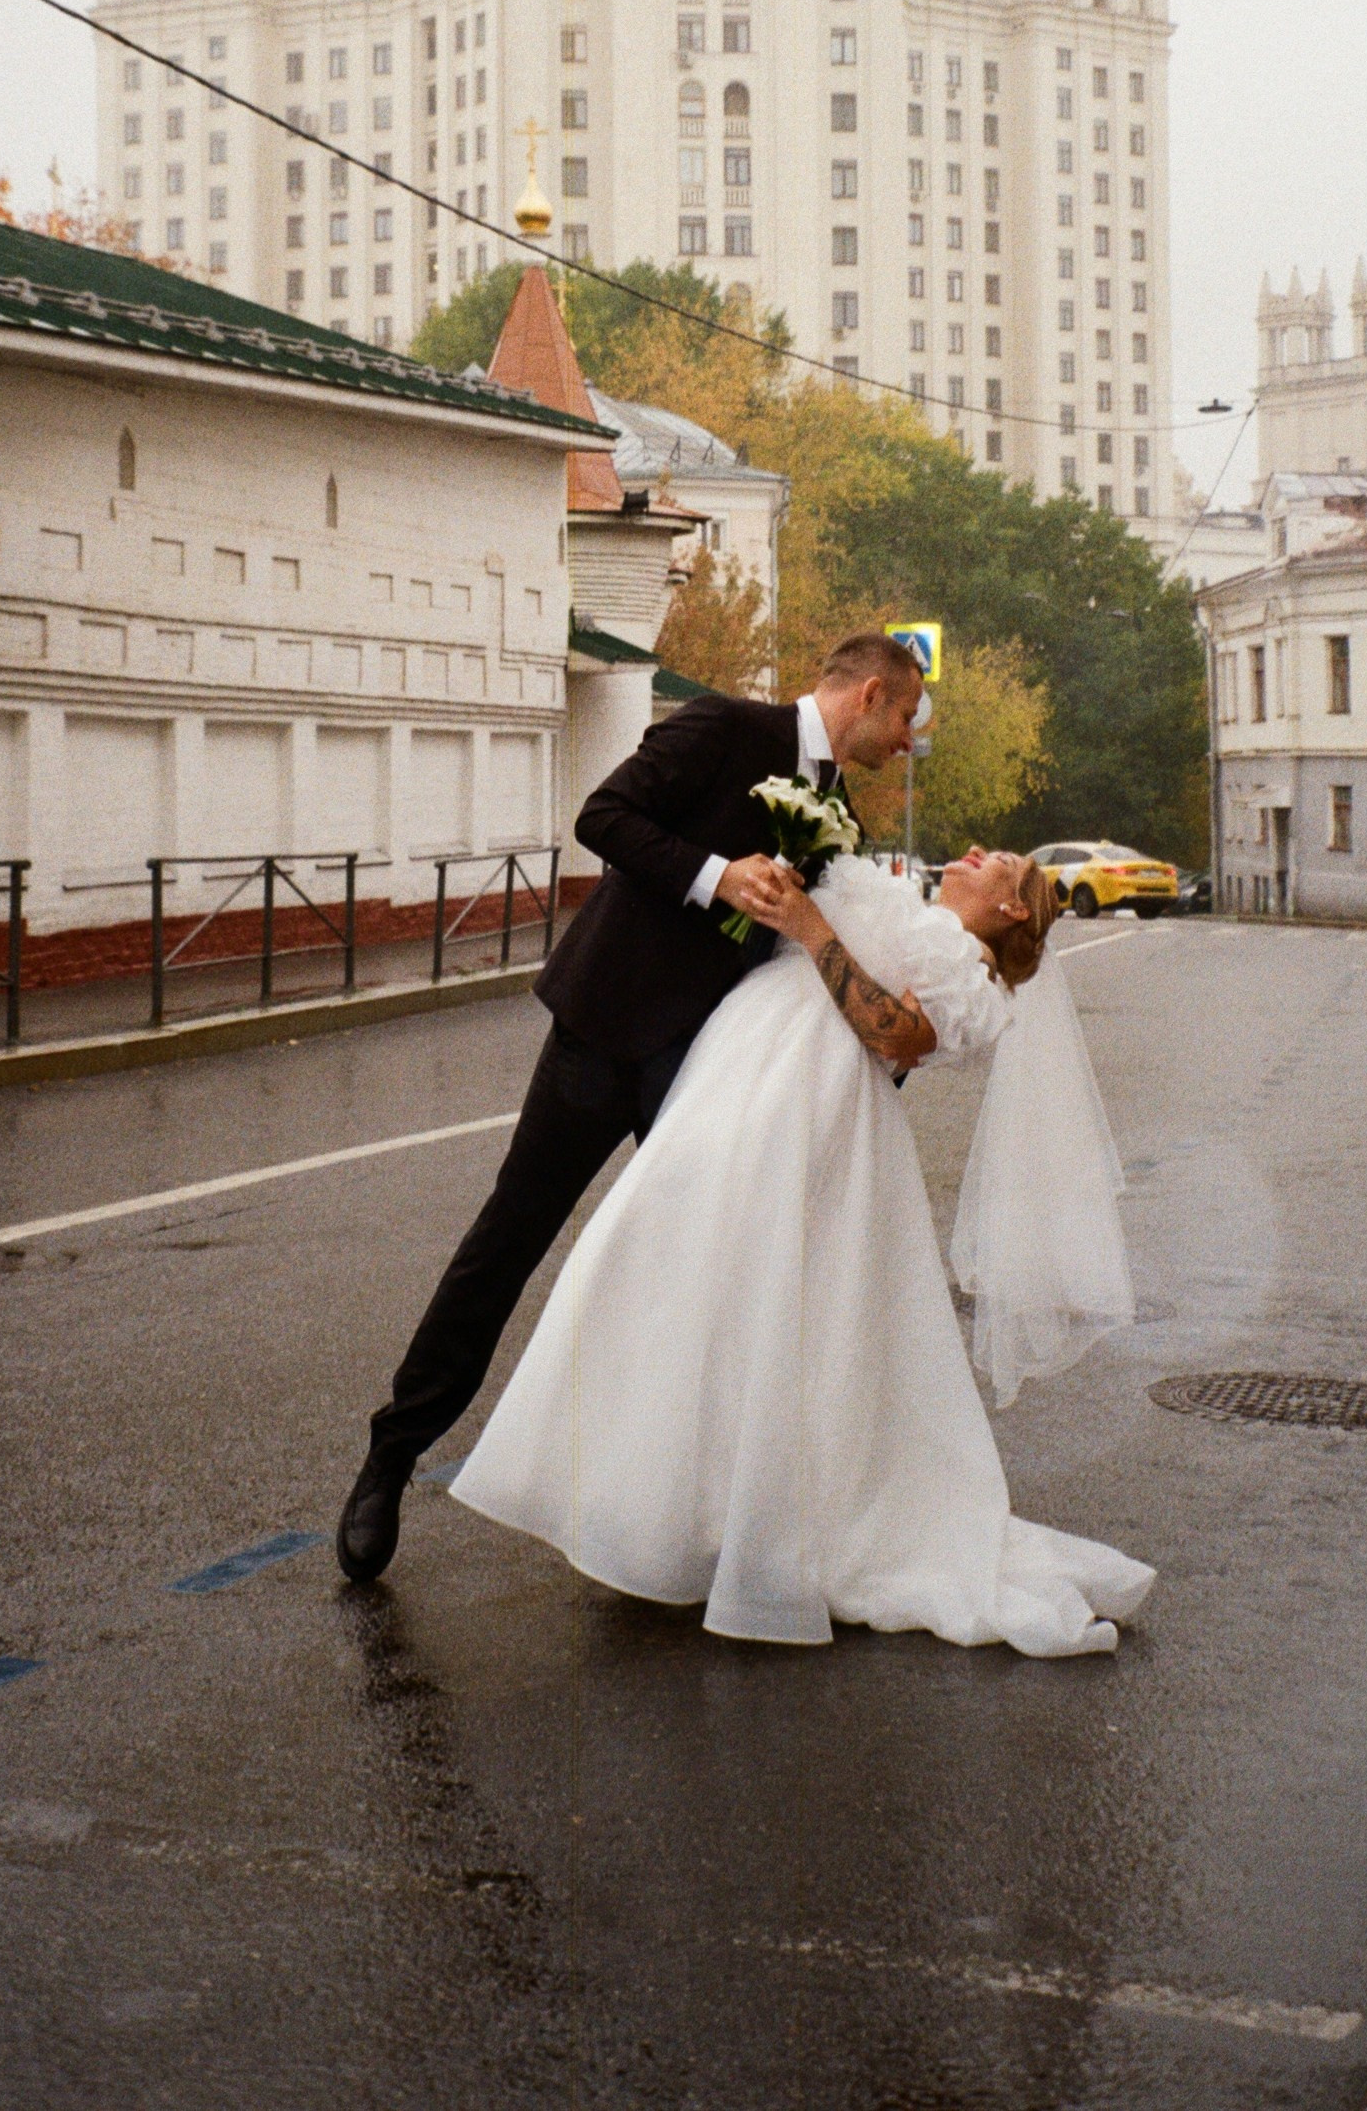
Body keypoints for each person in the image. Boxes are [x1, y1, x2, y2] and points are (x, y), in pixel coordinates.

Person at [335, 631, 933, 1583]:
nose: (907, 741)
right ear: (868, 694)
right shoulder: (723, 727)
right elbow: (602, 816)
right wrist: (717, 875)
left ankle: (663, 1510)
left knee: (695, 1275)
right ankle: (389, 1457)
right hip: (604, 1027)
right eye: (904, 719)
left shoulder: (836, 814)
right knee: (509, 1240)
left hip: (705, 1065)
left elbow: (803, 948)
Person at [449, 844, 1152, 1652]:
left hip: (802, 1112)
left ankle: (736, 1517)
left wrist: (810, 923)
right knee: (672, 1275)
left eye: (992, 860)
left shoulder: (972, 973)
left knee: (760, 1300)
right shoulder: (919, 920)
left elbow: (893, 1031)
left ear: (1013, 908)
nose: (968, 852)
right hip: (742, 1075)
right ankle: (663, 1501)